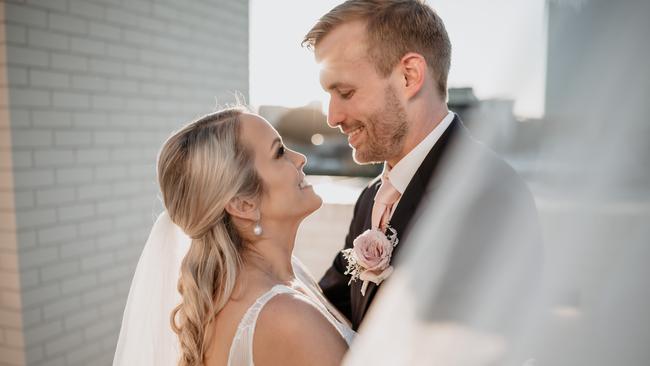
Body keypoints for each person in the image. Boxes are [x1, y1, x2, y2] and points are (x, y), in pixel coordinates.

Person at [303, 0, 541, 331]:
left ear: (409, 76)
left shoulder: (488, 195)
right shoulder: (371, 198)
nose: (332, 117)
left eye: (345, 91)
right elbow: (333, 311)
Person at [113, 108, 354, 366]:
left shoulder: (265, 283)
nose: (301, 158)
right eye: (279, 153)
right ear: (243, 204)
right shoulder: (286, 316)